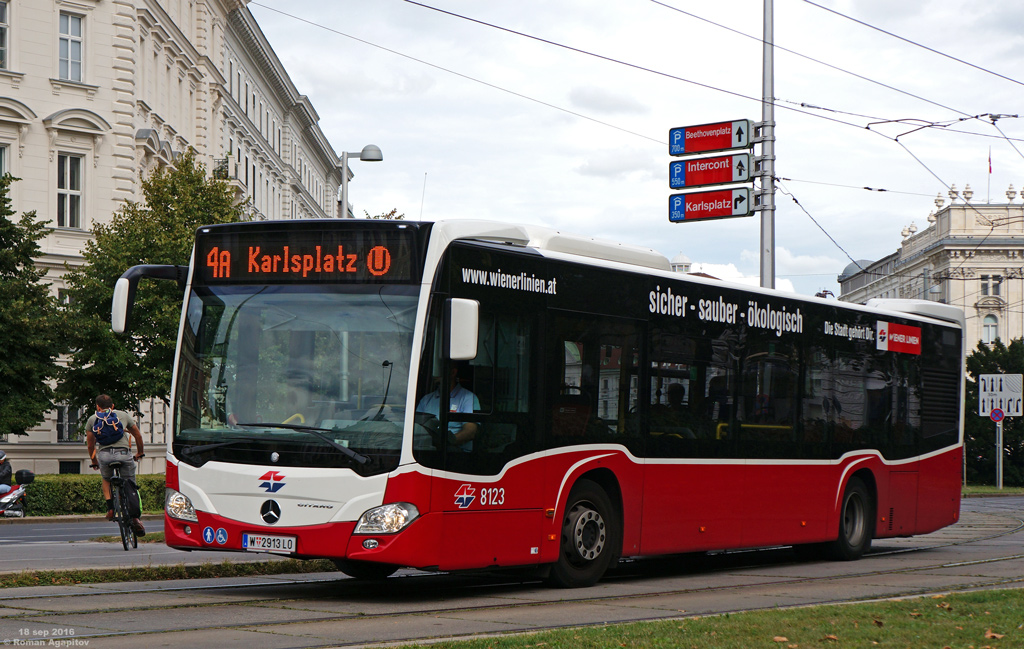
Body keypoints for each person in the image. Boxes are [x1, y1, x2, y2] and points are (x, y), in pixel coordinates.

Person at [86, 395, 146, 536]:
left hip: (105, 455)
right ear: (112, 406)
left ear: (98, 407)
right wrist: (140, 452)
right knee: (130, 484)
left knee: (106, 479)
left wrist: (94, 461)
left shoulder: (92, 419)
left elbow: (90, 445)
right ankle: (136, 518)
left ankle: (110, 508)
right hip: (124, 454)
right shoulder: (123, 415)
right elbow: (138, 436)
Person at [416, 364, 480, 451]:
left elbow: (470, 432)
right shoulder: (426, 399)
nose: (434, 374)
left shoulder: (468, 398)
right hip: (427, 449)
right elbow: (416, 427)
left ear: (453, 372)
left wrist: (446, 442)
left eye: (438, 370)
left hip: (456, 453)